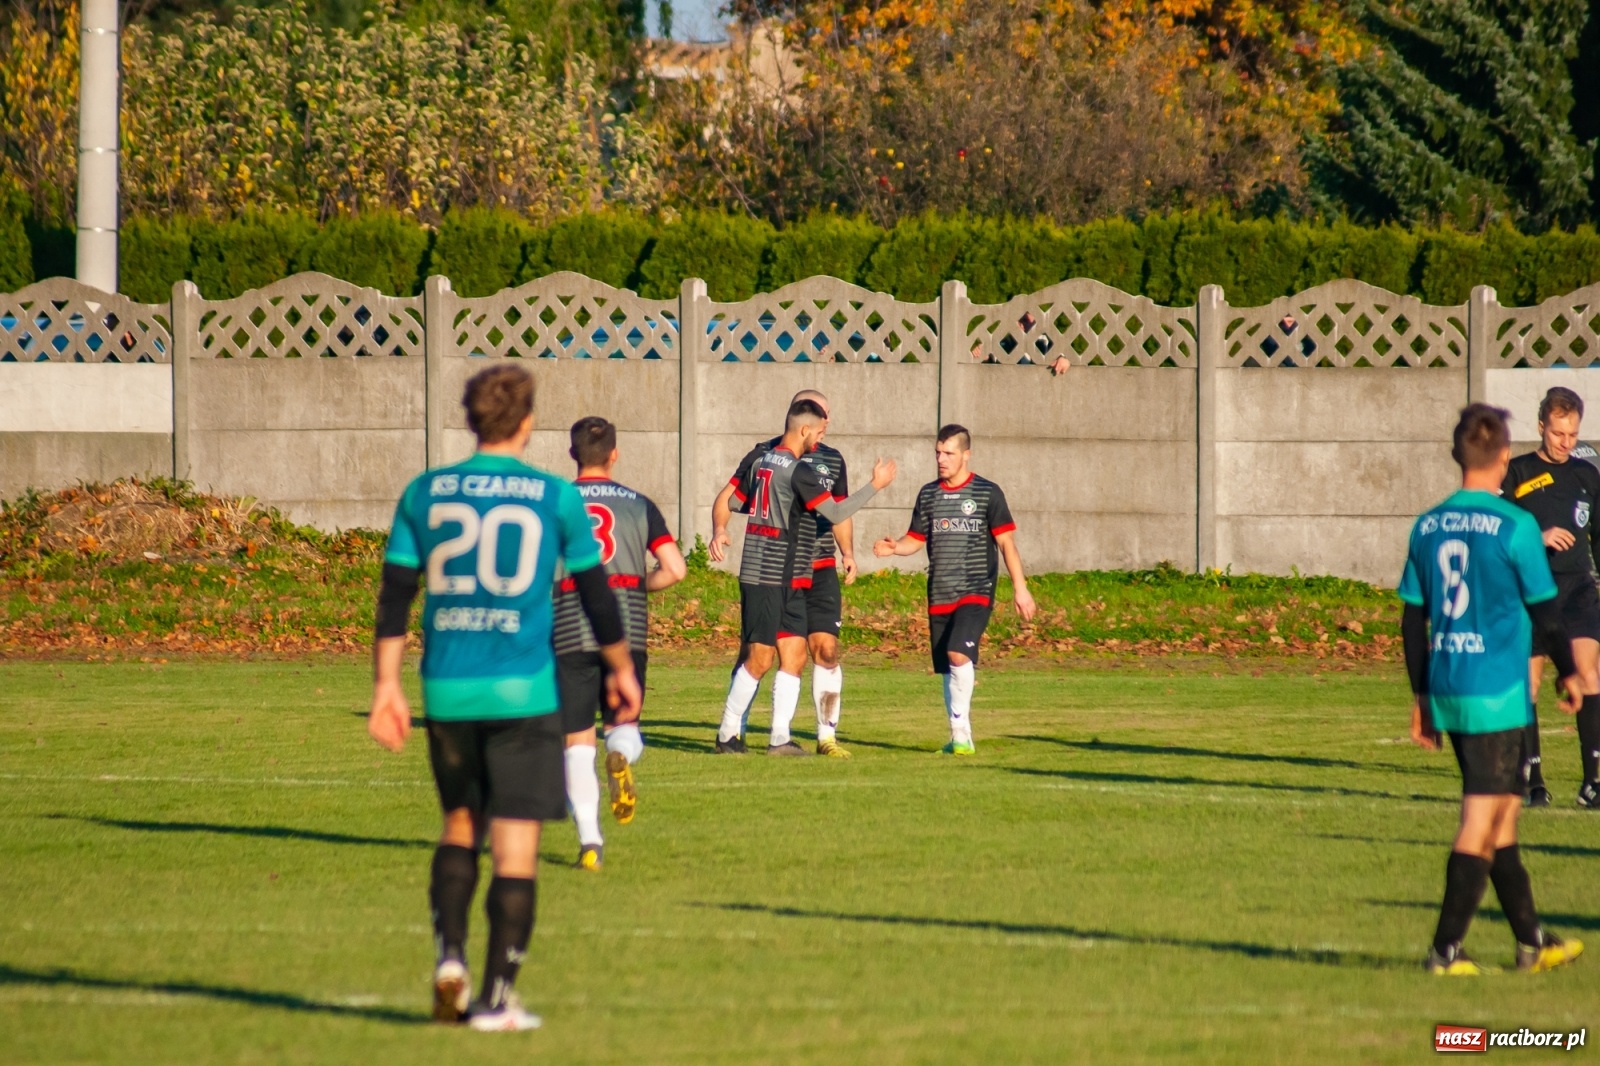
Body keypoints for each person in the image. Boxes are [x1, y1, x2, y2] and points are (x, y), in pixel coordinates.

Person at [366, 364, 642, 1030]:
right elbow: (598, 594)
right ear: (526, 423)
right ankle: (495, 999)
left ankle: (449, 959)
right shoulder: (554, 495)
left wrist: (386, 687)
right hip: (524, 689)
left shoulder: (424, 493)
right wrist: (619, 667)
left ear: (469, 419)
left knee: (460, 826)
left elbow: (396, 596)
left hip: (450, 689)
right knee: (515, 849)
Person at [1399, 402, 1584, 975]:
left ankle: (1533, 941)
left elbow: (1412, 618)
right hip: (1497, 695)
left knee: (1502, 814)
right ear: (1505, 457)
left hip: (1451, 685)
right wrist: (1568, 670)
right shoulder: (1515, 525)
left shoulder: (1428, 524)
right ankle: (1444, 951)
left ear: (1459, 456)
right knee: (1481, 820)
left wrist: (1423, 696)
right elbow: (1547, 612)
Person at [710, 398, 896, 754]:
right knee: (761, 658)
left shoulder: (763, 461)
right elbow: (837, 510)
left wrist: (766, 507)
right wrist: (875, 485)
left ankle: (780, 738)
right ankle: (726, 732)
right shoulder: (798, 471)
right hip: (768, 574)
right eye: (819, 430)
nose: (821, 437)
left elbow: (735, 502)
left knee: (793, 656)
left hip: (792, 575)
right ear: (804, 429)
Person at [555, 417, 686, 871]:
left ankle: (590, 842)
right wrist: (635, 586)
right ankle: (622, 754)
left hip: (569, 631)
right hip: (626, 631)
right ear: (615, 454)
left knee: (575, 742)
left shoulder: (554, 504)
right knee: (623, 726)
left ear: (573, 455)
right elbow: (675, 568)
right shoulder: (638, 504)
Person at [872, 424, 1036, 754]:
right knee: (948, 668)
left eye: (948, 453)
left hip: (976, 589)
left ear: (966, 455)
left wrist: (1021, 588)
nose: (941, 459)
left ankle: (962, 734)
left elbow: (1006, 543)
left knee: (958, 653)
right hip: (940, 593)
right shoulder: (928, 494)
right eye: (937, 452)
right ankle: (957, 736)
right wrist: (895, 548)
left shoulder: (988, 493)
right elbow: (915, 539)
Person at [1501, 387, 1600, 809]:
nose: (1565, 442)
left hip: (1578, 590)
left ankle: (1592, 782)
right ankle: (1534, 780)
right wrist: (1535, 537)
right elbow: (1498, 532)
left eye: (1572, 434)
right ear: (1541, 427)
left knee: (1588, 675)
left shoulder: (1587, 475)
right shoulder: (1517, 473)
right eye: (1558, 433)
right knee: (1530, 685)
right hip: (1531, 591)